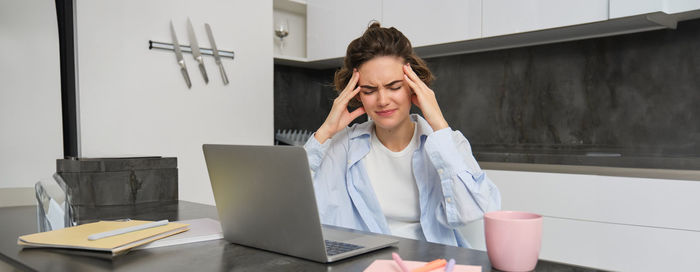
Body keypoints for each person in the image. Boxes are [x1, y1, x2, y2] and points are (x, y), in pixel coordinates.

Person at [303, 22, 501, 248]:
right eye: (369, 90)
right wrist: (324, 132)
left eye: (394, 86)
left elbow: (474, 210)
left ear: (413, 86)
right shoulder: (342, 146)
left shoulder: (447, 142)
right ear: (357, 94)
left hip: (434, 263)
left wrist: (438, 122)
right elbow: (294, 206)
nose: (383, 100)